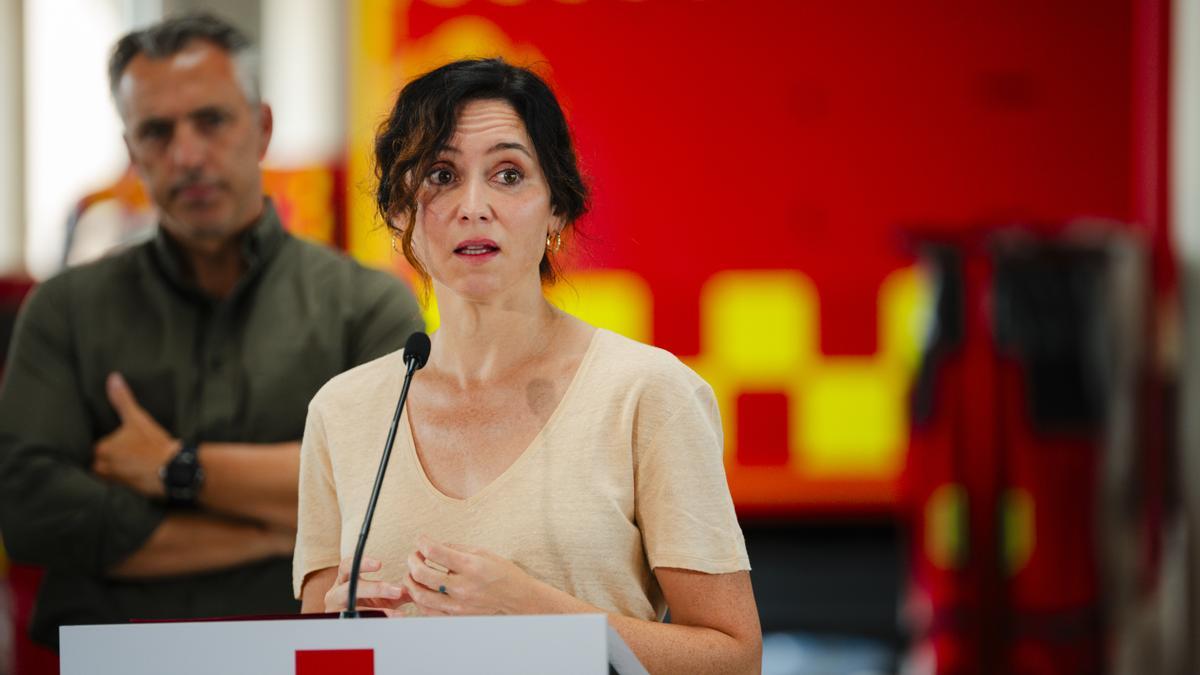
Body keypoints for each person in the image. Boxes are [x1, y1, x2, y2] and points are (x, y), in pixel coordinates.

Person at [294, 58, 762, 673]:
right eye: (441, 174)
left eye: (509, 175)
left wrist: (534, 609)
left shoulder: (647, 392)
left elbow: (735, 658)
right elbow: (312, 652)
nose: (473, 205)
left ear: (557, 211)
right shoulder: (343, 411)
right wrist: (345, 638)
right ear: (401, 213)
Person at [0, 13, 423, 651]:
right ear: (130, 149)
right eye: (157, 131)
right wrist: (284, 530)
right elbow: (31, 514)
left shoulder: (367, 305)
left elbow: (389, 500)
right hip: (104, 657)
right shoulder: (64, 310)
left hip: (308, 656)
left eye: (212, 120)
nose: (188, 154)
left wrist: (173, 470)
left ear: (262, 128)